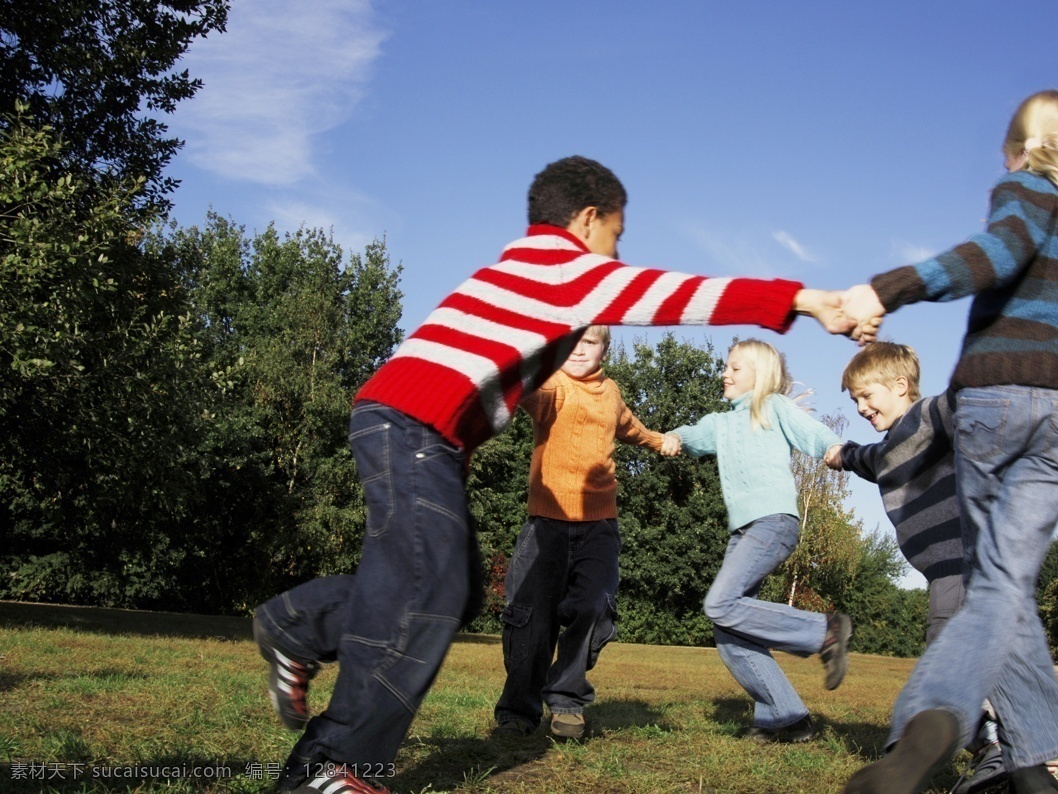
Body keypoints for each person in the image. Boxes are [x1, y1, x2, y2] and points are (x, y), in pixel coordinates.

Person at [250, 155, 854, 794]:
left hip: (410, 426)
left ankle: (303, 631)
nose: (615, 255)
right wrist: (803, 299)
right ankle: (333, 758)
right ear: (589, 219)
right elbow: (678, 295)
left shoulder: (519, 268)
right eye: (616, 237)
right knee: (426, 590)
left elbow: (467, 378)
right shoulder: (564, 267)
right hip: (412, 426)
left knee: (444, 590)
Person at [839, 90, 1058, 794]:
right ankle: (1040, 757)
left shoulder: (1026, 187)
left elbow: (994, 254)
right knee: (1002, 588)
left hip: (995, 401)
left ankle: (936, 718)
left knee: (989, 589)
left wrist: (885, 291)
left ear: (1025, 148)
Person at [825, 342, 1007, 793]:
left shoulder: (931, 414)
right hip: (946, 571)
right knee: (989, 664)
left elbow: (965, 398)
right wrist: (838, 455)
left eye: (868, 396)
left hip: (966, 562)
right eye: (855, 401)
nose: (862, 407)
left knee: (946, 657)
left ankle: (924, 755)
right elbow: (861, 458)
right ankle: (1022, 751)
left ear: (901, 386)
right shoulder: (886, 451)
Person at [662, 339, 853, 744]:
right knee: (728, 628)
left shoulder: (772, 407)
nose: (724, 374)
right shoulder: (721, 422)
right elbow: (692, 434)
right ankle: (785, 718)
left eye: (734, 367)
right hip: (743, 530)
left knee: (719, 603)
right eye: (725, 367)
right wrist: (672, 438)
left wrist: (833, 447)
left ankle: (825, 631)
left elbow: (811, 431)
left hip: (773, 522)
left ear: (760, 375)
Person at [493, 324, 673, 742]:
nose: (578, 349)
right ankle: (518, 711)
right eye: (570, 342)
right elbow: (526, 393)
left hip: (599, 528)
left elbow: (630, 428)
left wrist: (660, 441)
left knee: (593, 607)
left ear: (604, 350)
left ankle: (567, 701)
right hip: (546, 526)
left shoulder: (610, 393)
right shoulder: (551, 385)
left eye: (589, 341)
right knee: (531, 620)